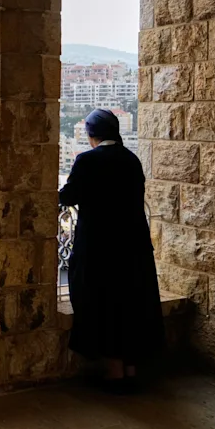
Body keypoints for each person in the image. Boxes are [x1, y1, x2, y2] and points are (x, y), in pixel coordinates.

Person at [58, 108, 164, 393]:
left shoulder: (87, 161)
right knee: (129, 302)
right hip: (133, 245)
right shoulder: (131, 160)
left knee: (102, 301)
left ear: (92, 134)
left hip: (99, 246)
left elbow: (68, 196)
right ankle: (130, 368)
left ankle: (115, 372)